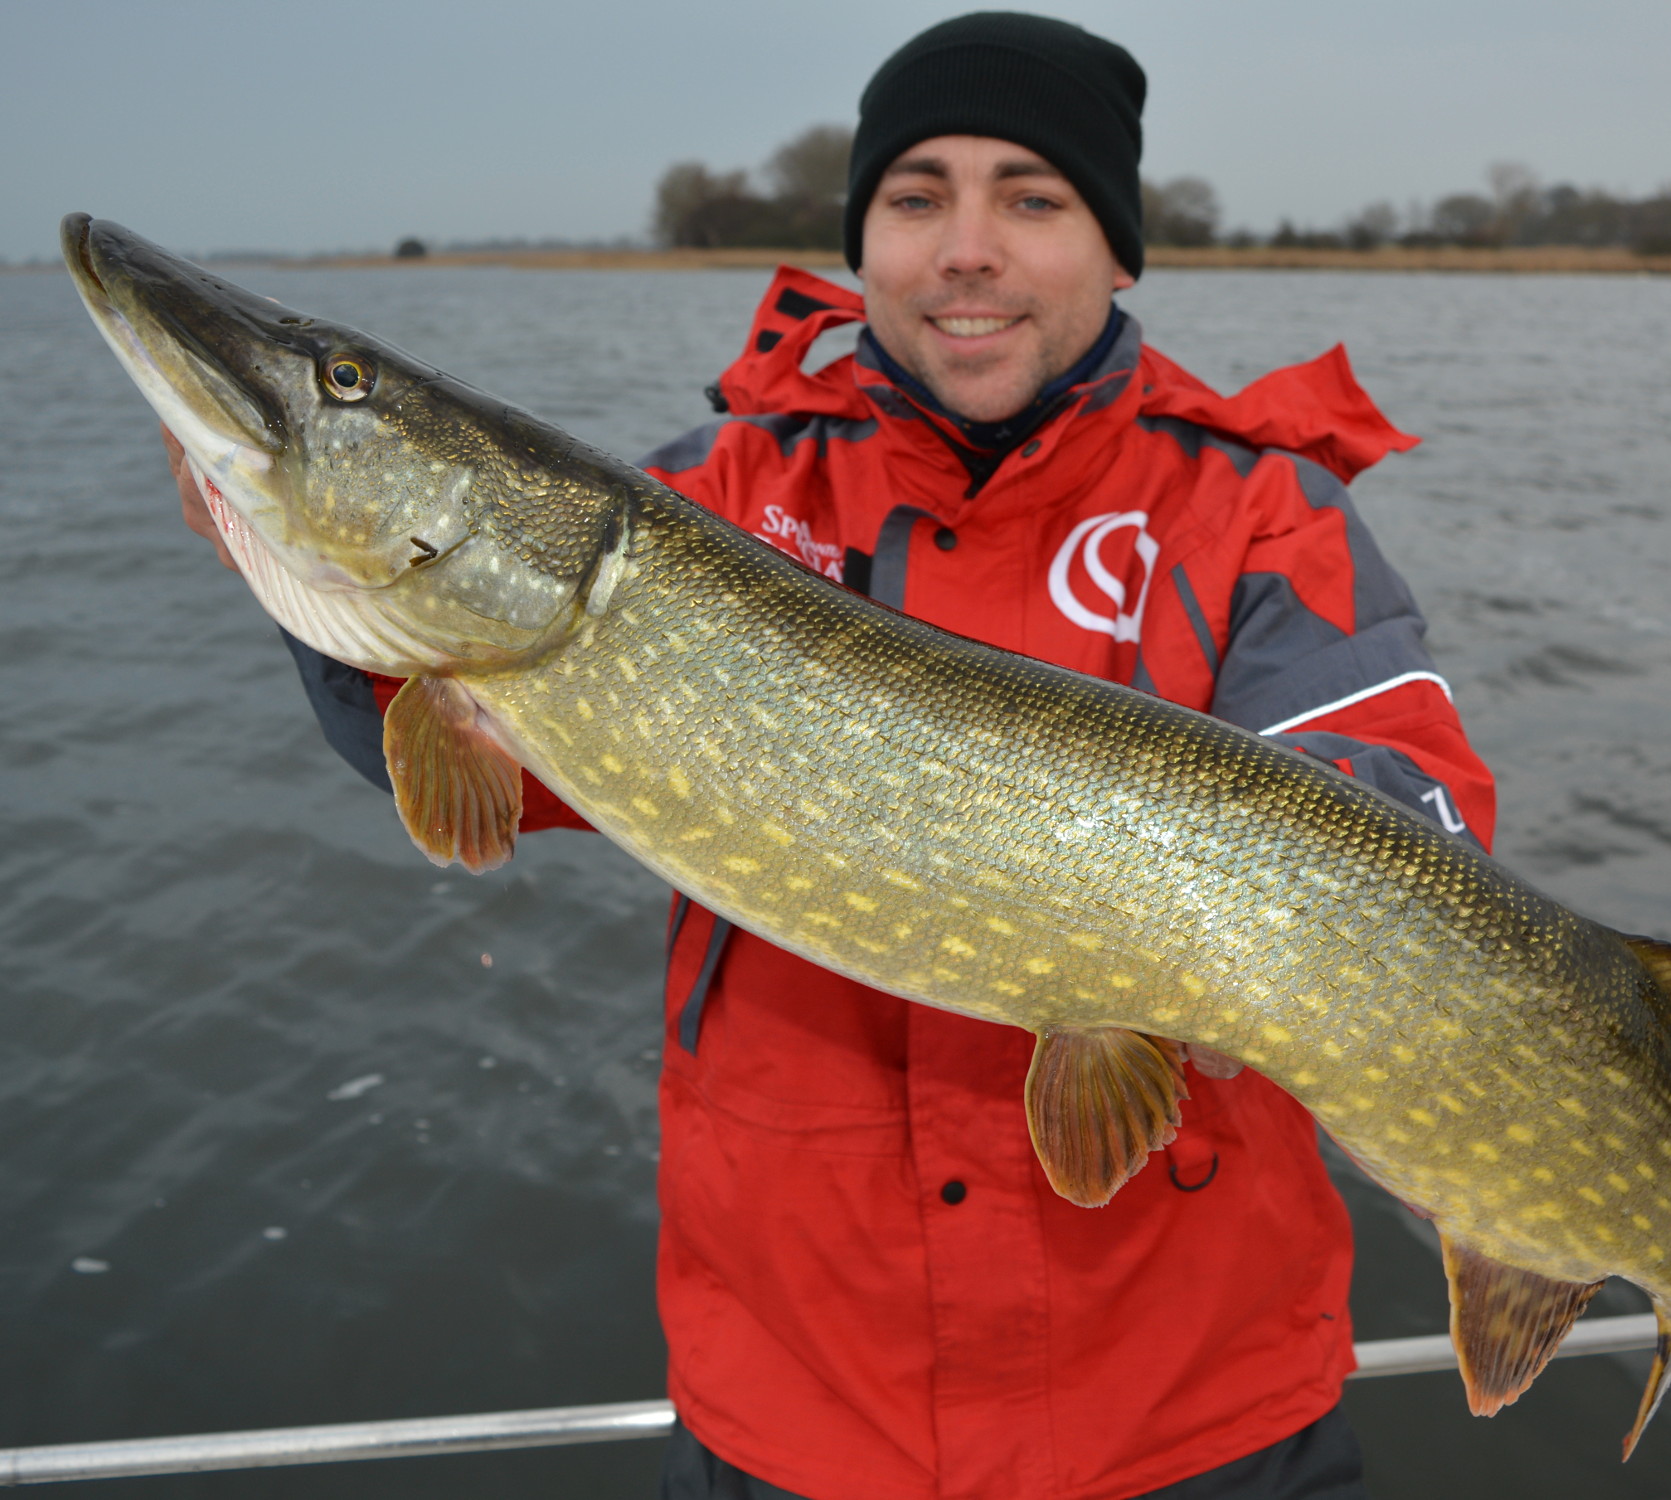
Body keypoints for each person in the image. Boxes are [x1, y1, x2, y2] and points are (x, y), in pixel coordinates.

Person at [168, 14, 1494, 1497]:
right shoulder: (711, 500)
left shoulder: (1264, 514)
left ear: (1120, 250)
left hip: (1194, 1416)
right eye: (916, 197)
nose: (966, 248)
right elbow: (486, 766)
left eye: (1033, 199)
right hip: (800, 1412)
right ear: (863, 240)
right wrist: (323, 575)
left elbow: (1411, 817)